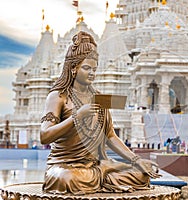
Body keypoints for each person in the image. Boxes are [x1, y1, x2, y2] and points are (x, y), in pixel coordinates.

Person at [40, 31, 160, 195]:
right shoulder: (58, 96)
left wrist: (136, 159)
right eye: (86, 68)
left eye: (94, 69)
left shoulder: (99, 97)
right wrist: (77, 116)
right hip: (65, 165)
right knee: (66, 178)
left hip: (94, 165)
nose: (92, 73)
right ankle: (103, 176)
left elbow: (110, 135)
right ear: (73, 69)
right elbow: (44, 136)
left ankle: (103, 174)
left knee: (142, 174)